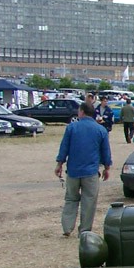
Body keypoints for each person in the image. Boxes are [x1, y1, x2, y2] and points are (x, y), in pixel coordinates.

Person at [55, 101, 112, 237]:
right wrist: (107, 167)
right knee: (89, 201)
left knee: (71, 199)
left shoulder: (72, 128)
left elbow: (64, 147)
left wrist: (59, 164)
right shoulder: (101, 130)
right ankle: (85, 230)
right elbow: (106, 151)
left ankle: (67, 227)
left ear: (81, 112)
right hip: (91, 172)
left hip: (73, 171)